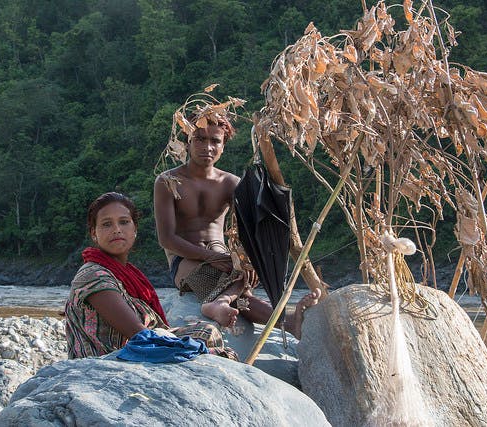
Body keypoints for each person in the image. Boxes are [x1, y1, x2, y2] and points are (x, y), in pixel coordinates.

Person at [154, 109, 320, 339]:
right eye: (200, 139)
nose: (207, 147)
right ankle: (288, 320)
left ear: (223, 146)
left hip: (223, 256)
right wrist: (212, 257)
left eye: (215, 141)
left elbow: (252, 230)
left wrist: (248, 262)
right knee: (230, 281)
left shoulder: (230, 183)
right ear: (188, 140)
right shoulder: (168, 181)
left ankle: (235, 306)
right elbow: (167, 239)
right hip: (185, 260)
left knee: (243, 283)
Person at [64, 192, 237, 360]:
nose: (117, 230)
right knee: (214, 345)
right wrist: (205, 352)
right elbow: (139, 335)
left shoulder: (129, 274)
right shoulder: (93, 275)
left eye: (124, 222)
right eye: (107, 224)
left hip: (136, 348)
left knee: (206, 332)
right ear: (94, 233)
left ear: (135, 229)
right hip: (109, 362)